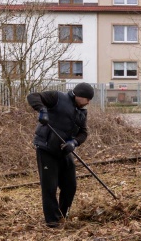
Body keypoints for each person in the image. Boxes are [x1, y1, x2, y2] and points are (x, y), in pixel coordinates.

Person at [26, 82, 95, 228]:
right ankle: (52, 221)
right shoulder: (57, 97)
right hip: (46, 148)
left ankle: (63, 215)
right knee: (49, 187)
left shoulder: (82, 112)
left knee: (70, 185)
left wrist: (74, 143)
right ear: (79, 95)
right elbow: (33, 96)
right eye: (87, 99)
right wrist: (42, 111)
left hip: (64, 151)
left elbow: (83, 133)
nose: (88, 102)